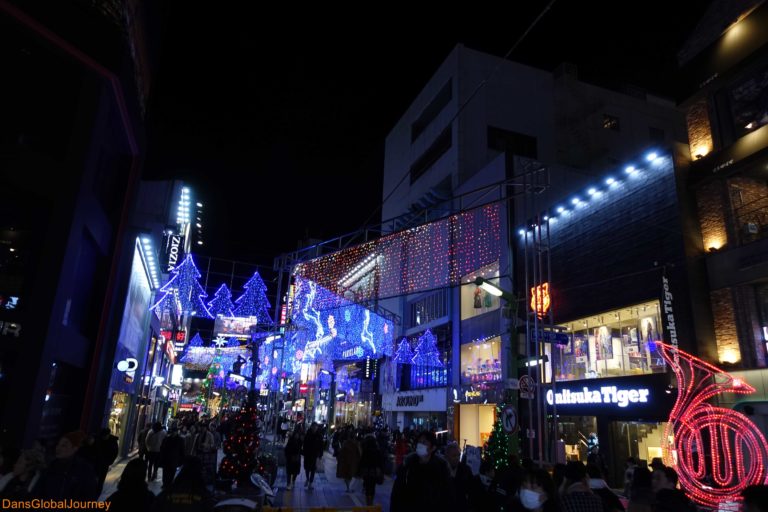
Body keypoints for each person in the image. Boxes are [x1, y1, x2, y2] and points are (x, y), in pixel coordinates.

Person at [390, 431, 452, 511]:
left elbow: (447, 496)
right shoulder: (408, 465)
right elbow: (396, 494)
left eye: (424, 442)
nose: (420, 444)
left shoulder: (441, 468)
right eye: (419, 442)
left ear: (433, 448)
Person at [34, 431, 99, 500]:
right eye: (58, 444)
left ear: (74, 448)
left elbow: (89, 498)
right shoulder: (50, 467)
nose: (58, 448)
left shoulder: (85, 470)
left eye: (64, 445)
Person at [444, 442, 473, 512]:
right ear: (447, 456)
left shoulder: (466, 469)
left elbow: (472, 490)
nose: (457, 458)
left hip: (462, 507)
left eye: (458, 455)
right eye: (454, 456)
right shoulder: (441, 470)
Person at [91, 428, 119, 495]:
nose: (103, 437)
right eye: (103, 436)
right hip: (95, 463)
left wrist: (109, 462)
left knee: (100, 480)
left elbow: (115, 453)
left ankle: (96, 494)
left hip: (104, 464)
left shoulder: (113, 442)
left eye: (105, 436)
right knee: (93, 478)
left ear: (108, 435)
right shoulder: (98, 439)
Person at [358, 435, 384, 506]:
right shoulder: (377, 451)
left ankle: (368, 503)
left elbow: (362, 462)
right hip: (374, 472)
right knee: (372, 487)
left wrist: (359, 471)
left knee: (367, 487)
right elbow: (380, 462)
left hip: (366, 472)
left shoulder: (366, 451)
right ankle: (371, 502)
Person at [302, 423, 323, 489]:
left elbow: (321, 446)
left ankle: (310, 483)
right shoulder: (308, 434)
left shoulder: (319, 435)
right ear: (311, 427)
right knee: (307, 468)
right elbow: (304, 444)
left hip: (314, 454)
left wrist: (320, 455)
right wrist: (304, 452)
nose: (314, 428)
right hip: (307, 454)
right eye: (313, 427)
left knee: (313, 469)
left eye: (315, 427)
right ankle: (307, 479)